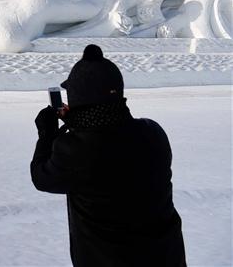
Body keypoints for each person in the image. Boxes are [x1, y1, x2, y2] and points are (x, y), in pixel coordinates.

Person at [30, 44, 186, 266]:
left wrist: (47, 134)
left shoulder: (75, 150)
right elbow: (110, 140)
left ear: (77, 98)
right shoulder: (153, 132)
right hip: (166, 256)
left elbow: (42, 177)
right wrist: (79, 124)